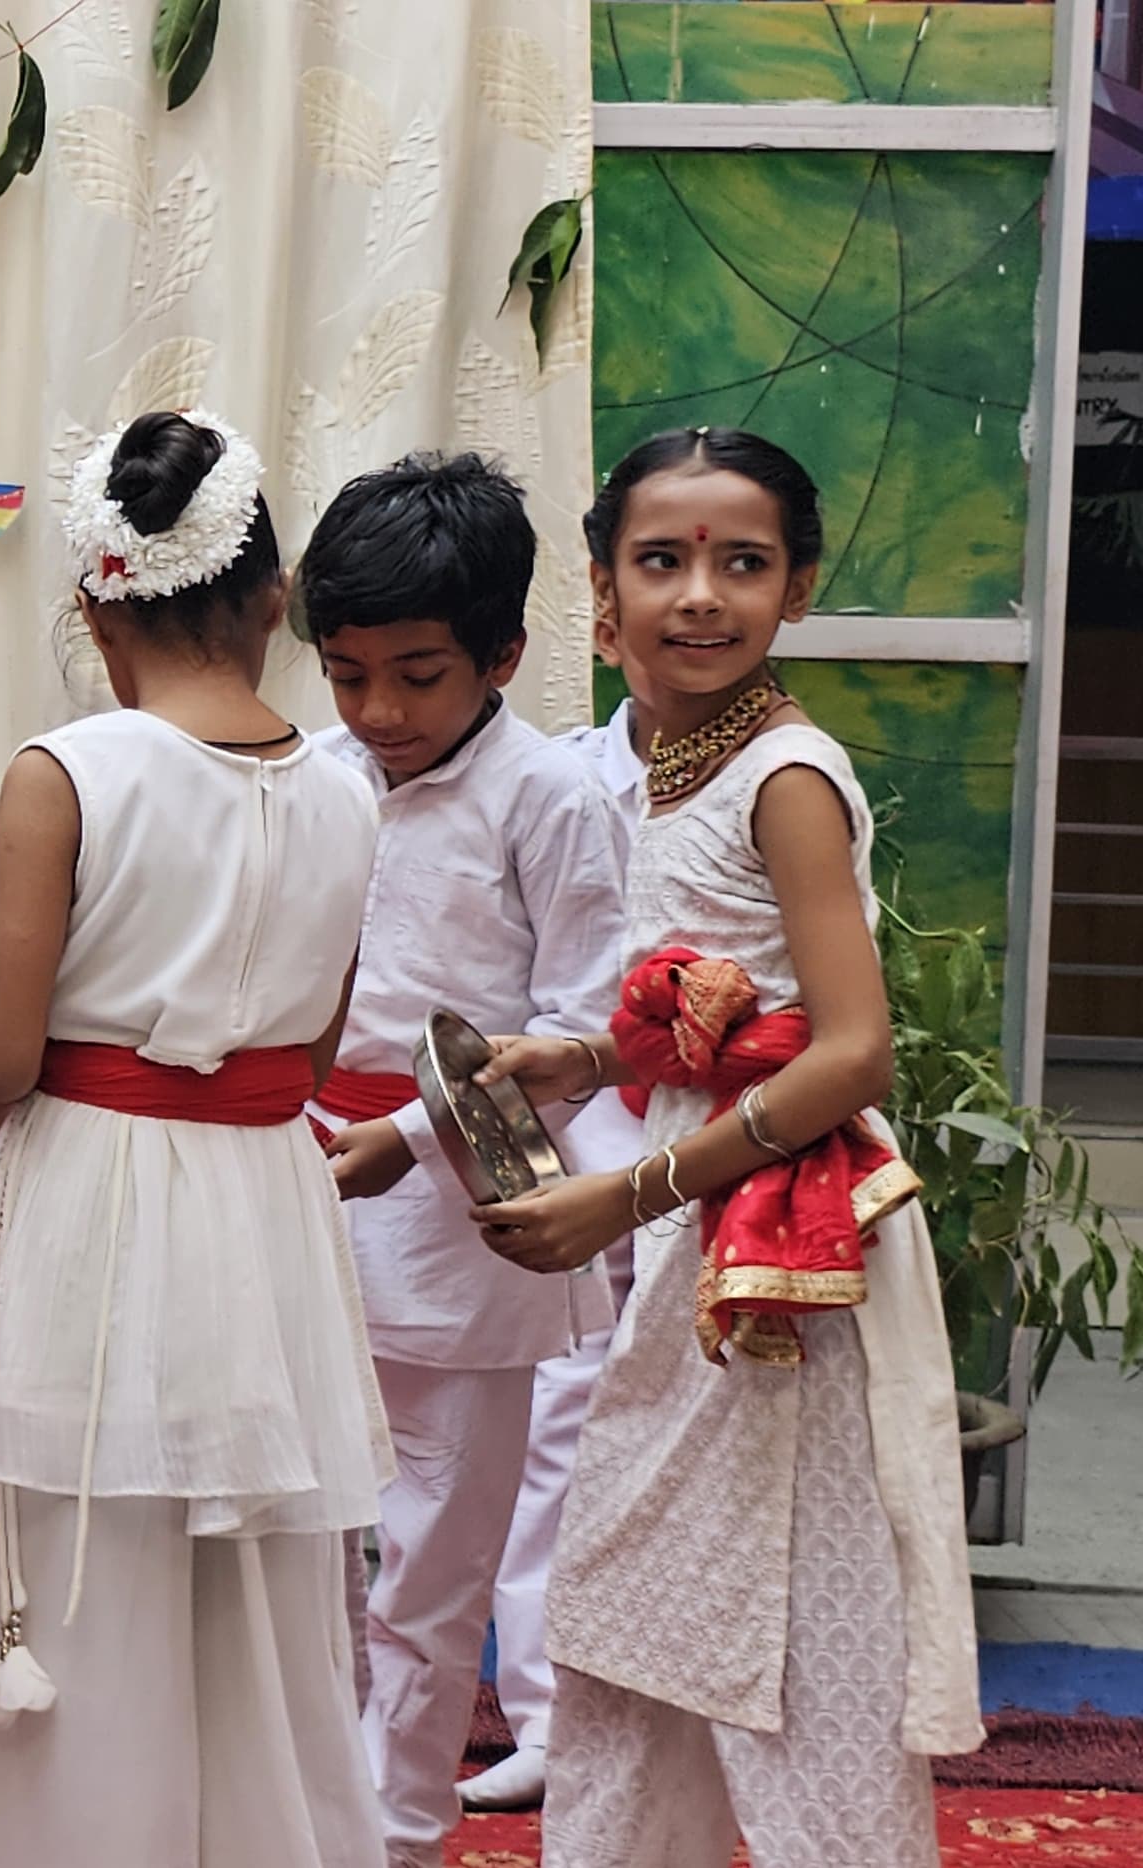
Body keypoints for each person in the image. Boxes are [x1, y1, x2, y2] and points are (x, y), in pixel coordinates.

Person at [465, 427, 979, 1866]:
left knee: (800, 1614)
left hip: (789, 1252)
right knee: (637, 1601)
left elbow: (852, 1051)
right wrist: (589, 1058)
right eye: (662, 560)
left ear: (796, 589)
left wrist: (625, 1194)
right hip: (712, 1225)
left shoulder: (784, 776)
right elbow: (739, 1014)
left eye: (742, 563)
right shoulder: (673, 763)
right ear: (602, 589)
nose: (700, 594)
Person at [0, 410, 390, 1868]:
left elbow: (1, 1049)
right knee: (256, 1593)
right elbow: (310, 1054)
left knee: (75, 1563)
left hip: (97, 1199)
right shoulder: (347, 789)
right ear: (273, 599)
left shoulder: (66, 771)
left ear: (94, 605)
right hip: (262, 1197)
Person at [293, 454, 631, 1867]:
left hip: (466, 1223)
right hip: (303, 1188)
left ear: (502, 655)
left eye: (417, 676)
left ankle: (398, 1831)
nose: (378, 710)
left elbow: (589, 1022)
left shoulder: (550, 798)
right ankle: (298, 1820)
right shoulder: (309, 776)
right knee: (300, 1553)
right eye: (346, 673)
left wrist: (416, 1133)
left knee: (430, 1572)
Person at [459, 698, 652, 1816]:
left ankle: (646, 1716)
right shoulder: (558, 777)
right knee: (543, 1440)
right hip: (555, 1151)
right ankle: (542, 1715)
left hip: (714, 1148)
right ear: (608, 620)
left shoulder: (787, 779)